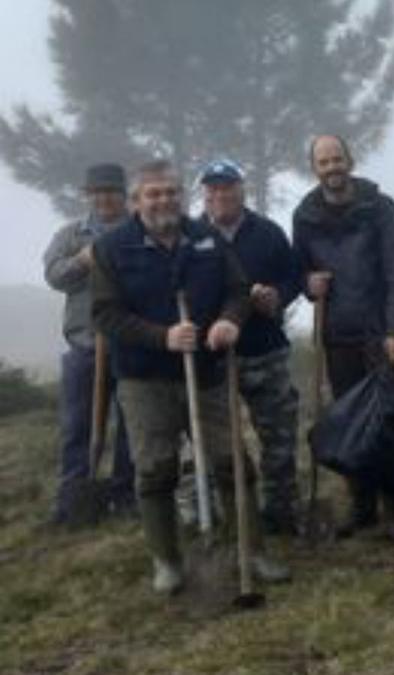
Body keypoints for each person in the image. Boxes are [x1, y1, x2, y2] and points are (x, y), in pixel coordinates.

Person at [92, 159, 289, 593]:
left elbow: (237, 290)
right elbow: (106, 314)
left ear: (181, 196)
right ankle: (168, 562)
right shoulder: (113, 248)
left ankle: (252, 552)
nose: (163, 200)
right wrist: (162, 337)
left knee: (233, 461)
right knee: (156, 469)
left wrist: (229, 320)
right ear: (135, 201)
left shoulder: (206, 239)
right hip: (144, 379)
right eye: (153, 193)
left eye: (170, 192)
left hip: (207, 372)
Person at [292, 134, 394, 542]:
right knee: (350, 421)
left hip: (380, 332)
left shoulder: (379, 207)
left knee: (390, 419)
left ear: (351, 159)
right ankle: (361, 504)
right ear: (315, 169)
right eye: (324, 162)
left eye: (337, 159)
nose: (332, 168)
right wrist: (309, 284)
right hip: (338, 334)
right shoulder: (305, 215)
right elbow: (299, 272)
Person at [198, 159, 302, 535]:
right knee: (212, 444)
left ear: (241, 190)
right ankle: (223, 518)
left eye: (227, 187)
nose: (219, 195)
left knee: (278, 436)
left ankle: (281, 511)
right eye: (212, 189)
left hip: (265, 350)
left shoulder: (268, 233)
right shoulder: (192, 237)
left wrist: (278, 296)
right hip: (212, 357)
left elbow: (292, 277)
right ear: (204, 195)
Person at [43, 163, 136, 523]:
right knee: (76, 427)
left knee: (133, 426)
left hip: (131, 344)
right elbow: (54, 276)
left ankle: (125, 496)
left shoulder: (138, 230)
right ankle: (72, 501)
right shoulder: (71, 235)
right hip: (84, 345)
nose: (105, 198)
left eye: (111, 191)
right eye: (98, 192)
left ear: (123, 194)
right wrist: (82, 261)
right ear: (88, 195)